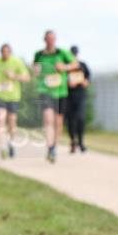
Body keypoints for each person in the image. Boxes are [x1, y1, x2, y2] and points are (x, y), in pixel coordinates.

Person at [33, 30, 78, 163]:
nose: (50, 41)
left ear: (55, 40)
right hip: (45, 90)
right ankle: (50, 147)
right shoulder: (39, 54)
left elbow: (76, 64)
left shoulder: (62, 53)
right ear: (44, 40)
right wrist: (36, 70)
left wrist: (64, 67)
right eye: (48, 39)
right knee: (48, 120)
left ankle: (53, 146)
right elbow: (35, 68)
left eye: (53, 39)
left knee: (58, 122)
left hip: (60, 91)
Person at [0, 43, 31, 159]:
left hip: (13, 96)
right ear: (0, 52)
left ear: (10, 53)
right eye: (3, 52)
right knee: (1, 120)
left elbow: (27, 77)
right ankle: (2, 147)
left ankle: (11, 143)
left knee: (12, 121)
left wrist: (15, 76)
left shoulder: (17, 62)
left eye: (7, 52)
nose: (5, 54)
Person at [65, 45, 91, 153]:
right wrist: (67, 82)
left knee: (80, 119)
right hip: (69, 96)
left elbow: (88, 76)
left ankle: (81, 142)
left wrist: (86, 82)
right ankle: (72, 141)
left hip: (80, 96)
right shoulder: (66, 67)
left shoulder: (83, 65)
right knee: (71, 120)